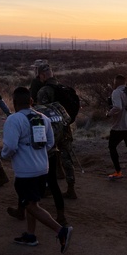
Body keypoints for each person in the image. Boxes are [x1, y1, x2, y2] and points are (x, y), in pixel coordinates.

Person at [1, 87, 73, 251]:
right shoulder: (43, 118)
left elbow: (10, 146)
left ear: (14, 102)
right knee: (32, 202)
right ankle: (30, 235)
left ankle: (61, 231)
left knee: (30, 205)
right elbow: (49, 143)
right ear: (31, 101)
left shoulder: (14, 119)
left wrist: (4, 155)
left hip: (25, 171)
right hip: (42, 168)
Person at [34, 62, 78, 199]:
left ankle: (49, 187)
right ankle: (71, 188)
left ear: (42, 75)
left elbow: (40, 113)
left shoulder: (44, 91)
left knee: (48, 158)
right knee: (67, 157)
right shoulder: (63, 88)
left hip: (51, 129)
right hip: (65, 126)